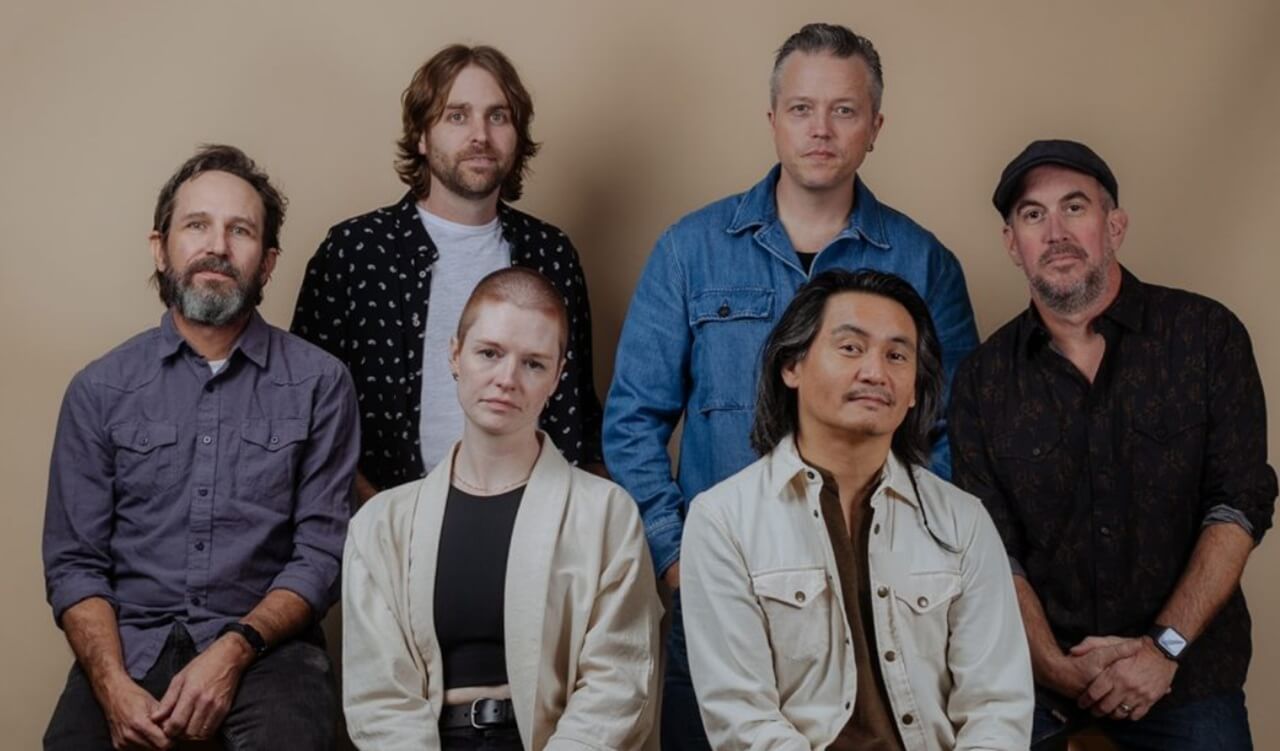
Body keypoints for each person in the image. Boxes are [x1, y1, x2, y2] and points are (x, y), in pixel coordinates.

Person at [603, 22, 979, 746]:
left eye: (844, 110)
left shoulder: (925, 263)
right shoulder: (690, 251)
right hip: (721, 594)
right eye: (802, 108)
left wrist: (918, 564)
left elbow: (954, 433)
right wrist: (678, 560)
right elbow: (630, 420)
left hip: (882, 601)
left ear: (875, 126)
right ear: (772, 119)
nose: (821, 129)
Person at [949, 139, 1277, 750]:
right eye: (1032, 214)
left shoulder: (1207, 338)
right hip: (1039, 684)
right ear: (1011, 244)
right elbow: (992, 550)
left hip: (1188, 674)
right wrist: (1053, 668)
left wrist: (1162, 649)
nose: (1055, 232)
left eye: (1075, 207)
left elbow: (1239, 506)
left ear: (1115, 225)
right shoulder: (981, 382)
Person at [42, 144, 360, 750]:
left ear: (266, 263)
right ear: (160, 247)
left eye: (239, 230)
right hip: (128, 643)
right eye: (197, 225)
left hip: (271, 653)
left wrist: (235, 649)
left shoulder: (321, 384)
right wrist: (110, 684)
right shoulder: (99, 389)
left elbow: (322, 553)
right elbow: (75, 563)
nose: (217, 246)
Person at [681, 269, 1031, 750]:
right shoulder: (722, 520)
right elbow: (743, 720)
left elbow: (998, 707)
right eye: (850, 348)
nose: (875, 372)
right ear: (792, 366)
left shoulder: (963, 520)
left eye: (896, 355)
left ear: (913, 392)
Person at [342, 267, 661, 750]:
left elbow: (619, 681)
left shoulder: (606, 514)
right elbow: (379, 697)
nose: (506, 379)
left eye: (533, 363)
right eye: (489, 353)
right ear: (455, 354)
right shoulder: (381, 524)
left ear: (557, 375)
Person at [292, 44, 603, 504]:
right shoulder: (354, 252)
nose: (480, 134)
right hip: (383, 525)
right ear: (421, 135)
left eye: (498, 116)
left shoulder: (550, 254)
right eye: (457, 116)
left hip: (532, 521)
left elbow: (578, 410)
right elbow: (307, 411)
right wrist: (380, 515)